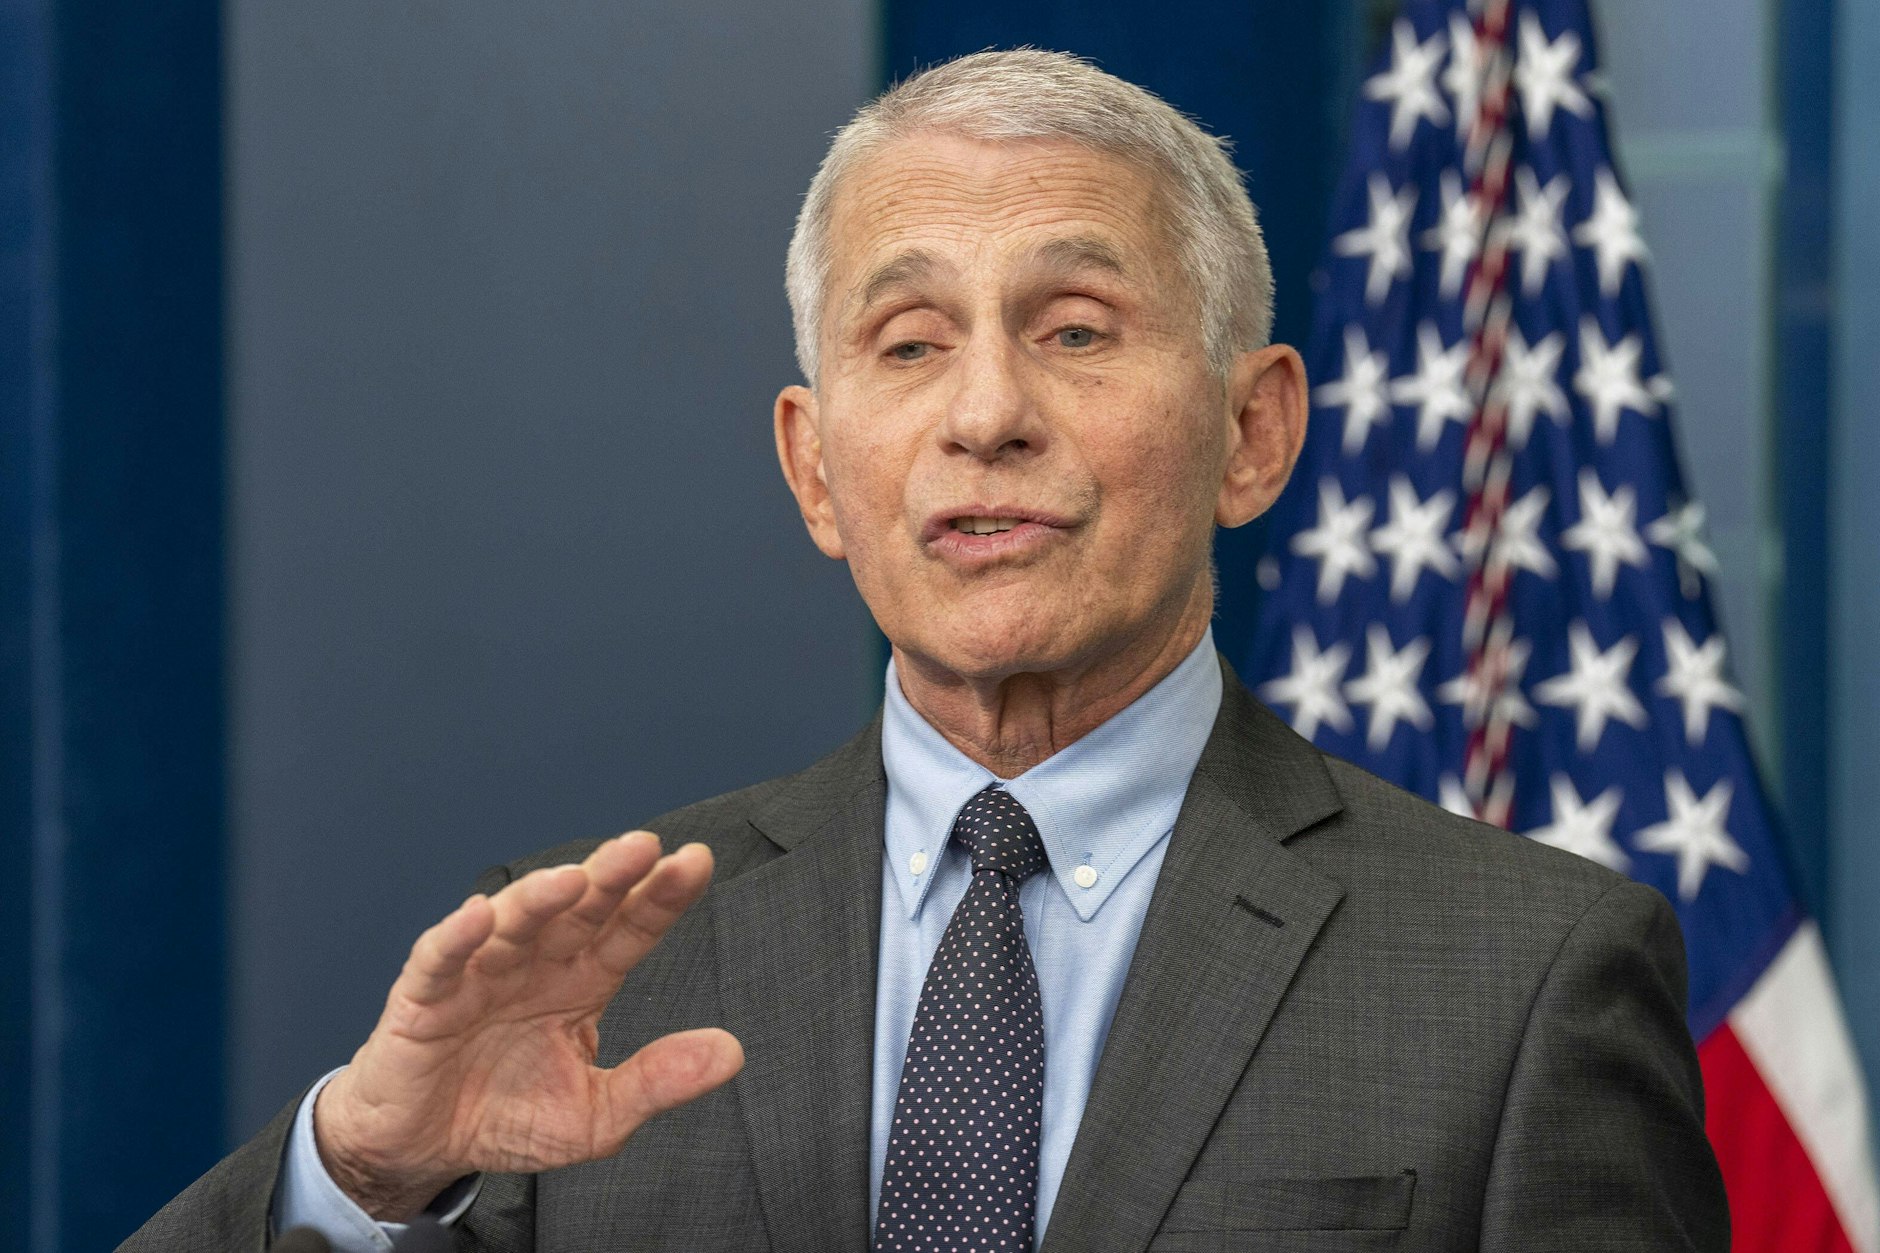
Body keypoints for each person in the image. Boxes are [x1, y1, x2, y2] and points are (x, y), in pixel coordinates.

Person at [125, 49, 1728, 1252]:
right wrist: (368, 1163)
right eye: (909, 343)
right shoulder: (591, 969)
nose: (986, 413)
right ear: (816, 469)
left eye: (1076, 328)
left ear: (1253, 432)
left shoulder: (1525, 980)